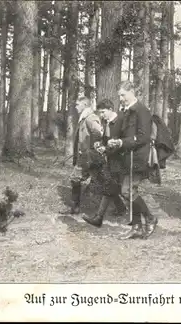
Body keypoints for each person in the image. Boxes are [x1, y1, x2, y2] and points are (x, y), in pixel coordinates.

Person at [108, 81, 158, 239]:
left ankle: (150, 218)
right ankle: (136, 226)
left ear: (131, 92)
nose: (121, 99)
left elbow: (143, 137)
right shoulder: (125, 111)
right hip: (126, 157)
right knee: (128, 191)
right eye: (119, 96)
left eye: (123, 95)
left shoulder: (142, 110)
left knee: (127, 190)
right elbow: (122, 133)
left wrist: (123, 142)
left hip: (138, 157)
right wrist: (114, 141)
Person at [82, 99, 127, 227]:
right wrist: (100, 144)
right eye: (100, 113)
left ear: (111, 110)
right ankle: (101, 217)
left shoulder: (121, 122)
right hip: (111, 161)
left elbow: (123, 143)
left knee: (125, 190)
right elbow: (106, 139)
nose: (101, 115)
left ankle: (143, 215)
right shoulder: (107, 123)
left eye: (103, 112)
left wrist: (106, 149)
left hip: (122, 162)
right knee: (110, 187)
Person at [60, 96, 103, 215]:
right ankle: (76, 207)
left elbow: (99, 133)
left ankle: (76, 207)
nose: (76, 107)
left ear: (84, 105)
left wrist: (92, 149)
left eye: (78, 105)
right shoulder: (84, 118)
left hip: (89, 156)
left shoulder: (90, 118)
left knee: (77, 178)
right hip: (85, 156)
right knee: (93, 179)